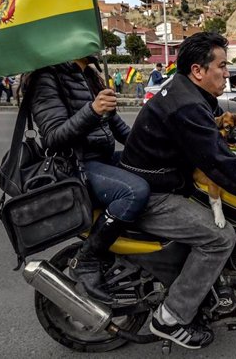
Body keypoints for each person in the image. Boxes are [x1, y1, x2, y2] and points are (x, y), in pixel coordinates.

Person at [120, 32, 236, 349]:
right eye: (221, 65)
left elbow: (234, 127)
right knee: (221, 237)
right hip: (154, 195)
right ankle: (169, 317)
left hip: (167, 182)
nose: (226, 72)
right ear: (198, 70)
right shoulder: (187, 106)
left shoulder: (193, 96)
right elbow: (222, 165)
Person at [28, 57, 150, 302]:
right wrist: (93, 110)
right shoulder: (47, 77)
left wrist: (156, 146)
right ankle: (87, 258)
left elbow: (120, 130)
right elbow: (53, 138)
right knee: (134, 190)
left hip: (101, 158)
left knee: (158, 170)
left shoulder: (89, 76)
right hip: (76, 167)